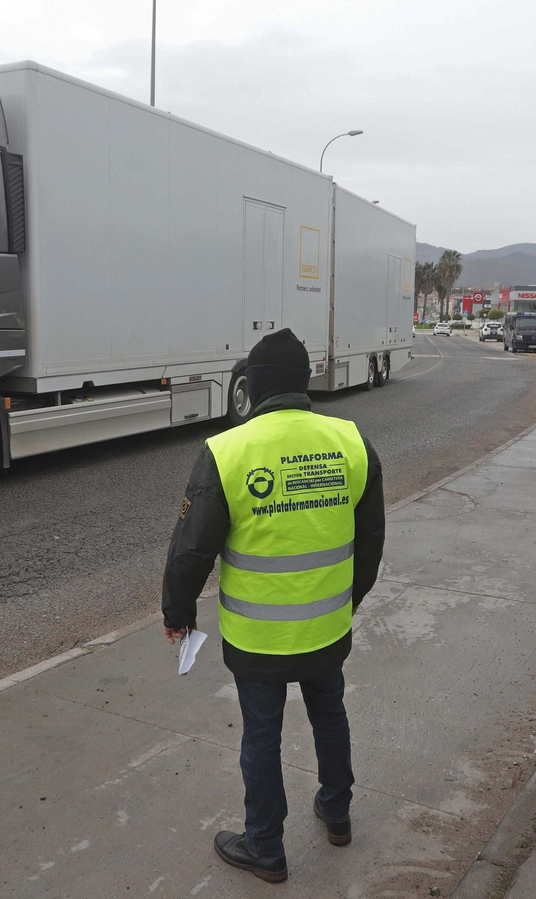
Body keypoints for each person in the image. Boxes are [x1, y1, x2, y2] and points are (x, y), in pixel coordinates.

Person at [160, 328, 386, 883]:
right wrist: (348, 602)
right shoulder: (351, 442)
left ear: (255, 386)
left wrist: (177, 612)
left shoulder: (228, 451)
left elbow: (192, 549)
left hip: (257, 636)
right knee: (330, 714)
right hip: (327, 628)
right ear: (303, 382)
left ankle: (265, 845)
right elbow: (371, 539)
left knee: (261, 735)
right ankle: (337, 812)